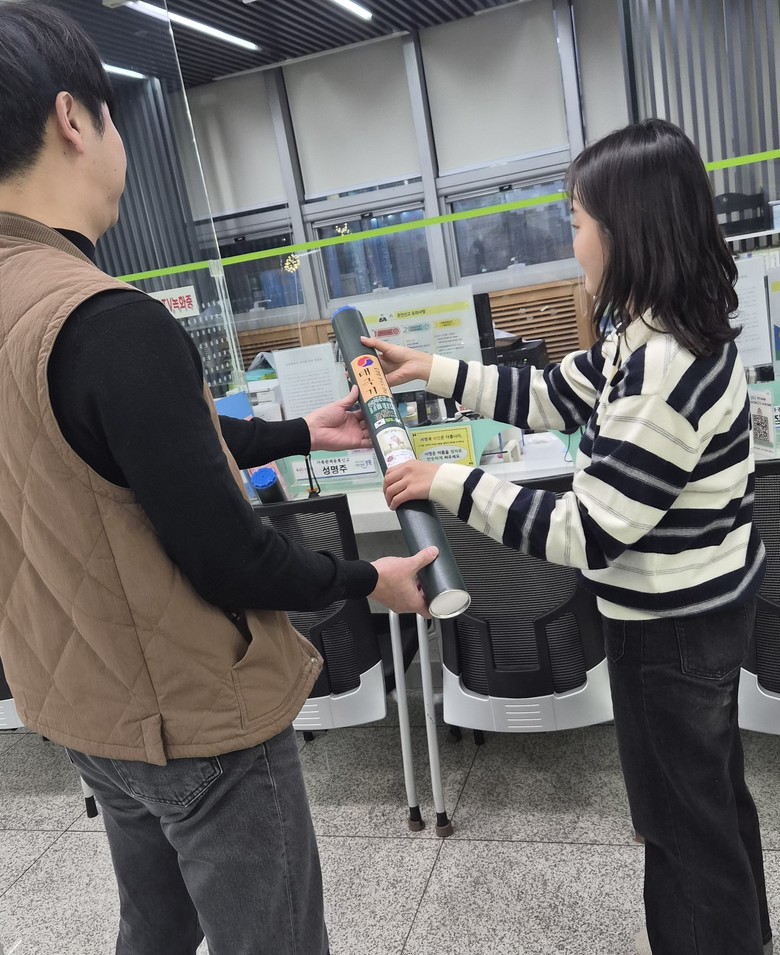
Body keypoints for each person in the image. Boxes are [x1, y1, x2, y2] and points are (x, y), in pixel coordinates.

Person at [0, 4, 437, 954]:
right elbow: (230, 555)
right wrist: (372, 580)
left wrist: (297, 430)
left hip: (85, 706)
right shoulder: (108, 321)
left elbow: (110, 452)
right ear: (74, 120)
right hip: (195, 716)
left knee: (154, 925)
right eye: (116, 119)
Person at [366, 118, 772, 955]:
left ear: (628, 230)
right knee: (708, 803)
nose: (571, 239)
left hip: (671, 631)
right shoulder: (652, 329)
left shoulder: (665, 370)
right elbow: (555, 393)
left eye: (578, 221)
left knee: (679, 827)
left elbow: (587, 530)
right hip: (693, 615)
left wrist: (446, 483)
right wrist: (431, 370)